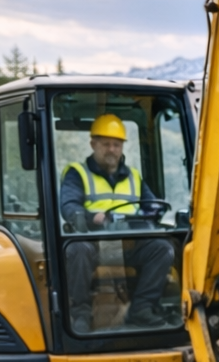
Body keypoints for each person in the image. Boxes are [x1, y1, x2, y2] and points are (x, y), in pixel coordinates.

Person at [59, 113, 175, 332]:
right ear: (93, 144)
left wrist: (154, 211)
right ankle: (80, 314)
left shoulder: (134, 176)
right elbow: (69, 206)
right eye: (106, 144)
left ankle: (141, 309)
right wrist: (91, 217)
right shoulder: (77, 174)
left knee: (163, 248)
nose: (111, 149)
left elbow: (151, 204)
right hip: (94, 242)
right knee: (76, 250)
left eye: (116, 144)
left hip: (129, 243)